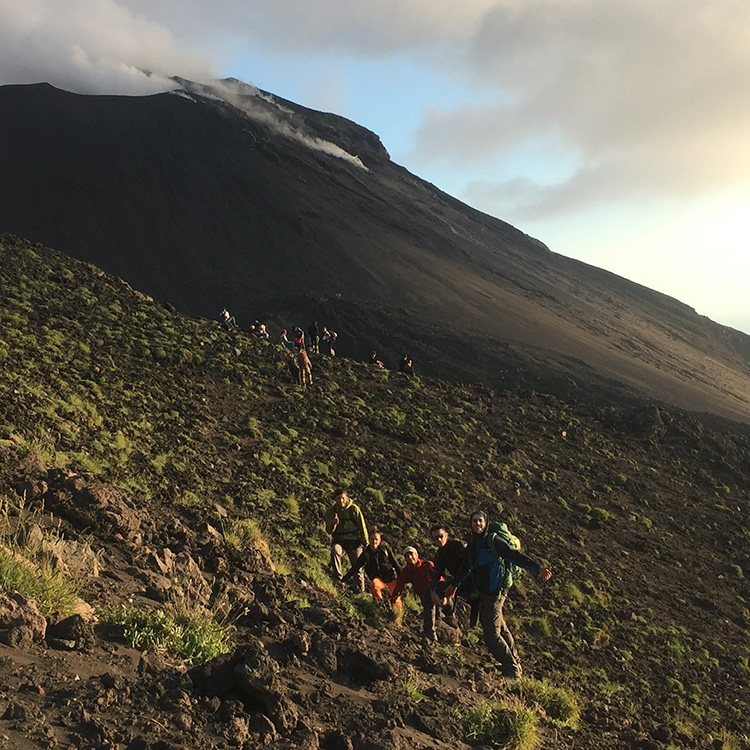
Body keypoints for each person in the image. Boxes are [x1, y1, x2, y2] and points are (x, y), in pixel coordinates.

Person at [445, 511, 552, 678]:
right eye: (474, 521)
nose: (477, 524)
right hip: (484, 592)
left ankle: (512, 669)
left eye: (480, 521)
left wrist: (538, 568)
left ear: (486, 522)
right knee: (501, 628)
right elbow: (467, 566)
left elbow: (515, 556)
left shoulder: (493, 540)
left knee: (491, 634)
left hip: (496, 593)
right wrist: (454, 584)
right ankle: (514, 662)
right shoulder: (474, 542)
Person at [392, 547, 443, 642]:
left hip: (438, 594)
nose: (410, 557)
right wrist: (394, 599)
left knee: (445, 614)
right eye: (407, 556)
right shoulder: (407, 571)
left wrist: (444, 596)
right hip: (425, 597)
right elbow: (400, 584)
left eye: (411, 554)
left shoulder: (427, 565)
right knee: (429, 608)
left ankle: (439, 633)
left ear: (417, 555)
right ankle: (431, 633)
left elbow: (440, 579)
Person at [324, 489, 369, 592]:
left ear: (347, 497)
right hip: (339, 541)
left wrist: (365, 543)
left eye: (343, 498)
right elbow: (328, 530)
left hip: (354, 542)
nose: (341, 501)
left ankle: (360, 590)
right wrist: (333, 523)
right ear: (335, 499)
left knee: (357, 567)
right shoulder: (332, 511)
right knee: (335, 551)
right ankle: (338, 579)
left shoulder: (354, 509)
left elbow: (362, 526)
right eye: (338, 498)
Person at [342, 529, 402, 606]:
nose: (374, 541)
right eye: (372, 539)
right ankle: (379, 605)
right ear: (369, 539)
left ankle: (399, 615)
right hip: (378, 578)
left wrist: (401, 579)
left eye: (376, 539)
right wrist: (344, 579)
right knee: (374, 586)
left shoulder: (385, 549)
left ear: (380, 540)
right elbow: (356, 566)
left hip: (390, 577)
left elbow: (395, 563)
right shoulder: (367, 552)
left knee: (396, 600)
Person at [428, 525, 468, 627]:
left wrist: (455, 583)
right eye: (436, 538)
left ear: (446, 535)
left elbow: (469, 566)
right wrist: (432, 590)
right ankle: (431, 629)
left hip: (474, 582)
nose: (439, 539)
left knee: (490, 618)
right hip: (459, 584)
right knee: (428, 592)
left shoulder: (458, 546)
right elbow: (436, 573)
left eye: (441, 535)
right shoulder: (440, 554)